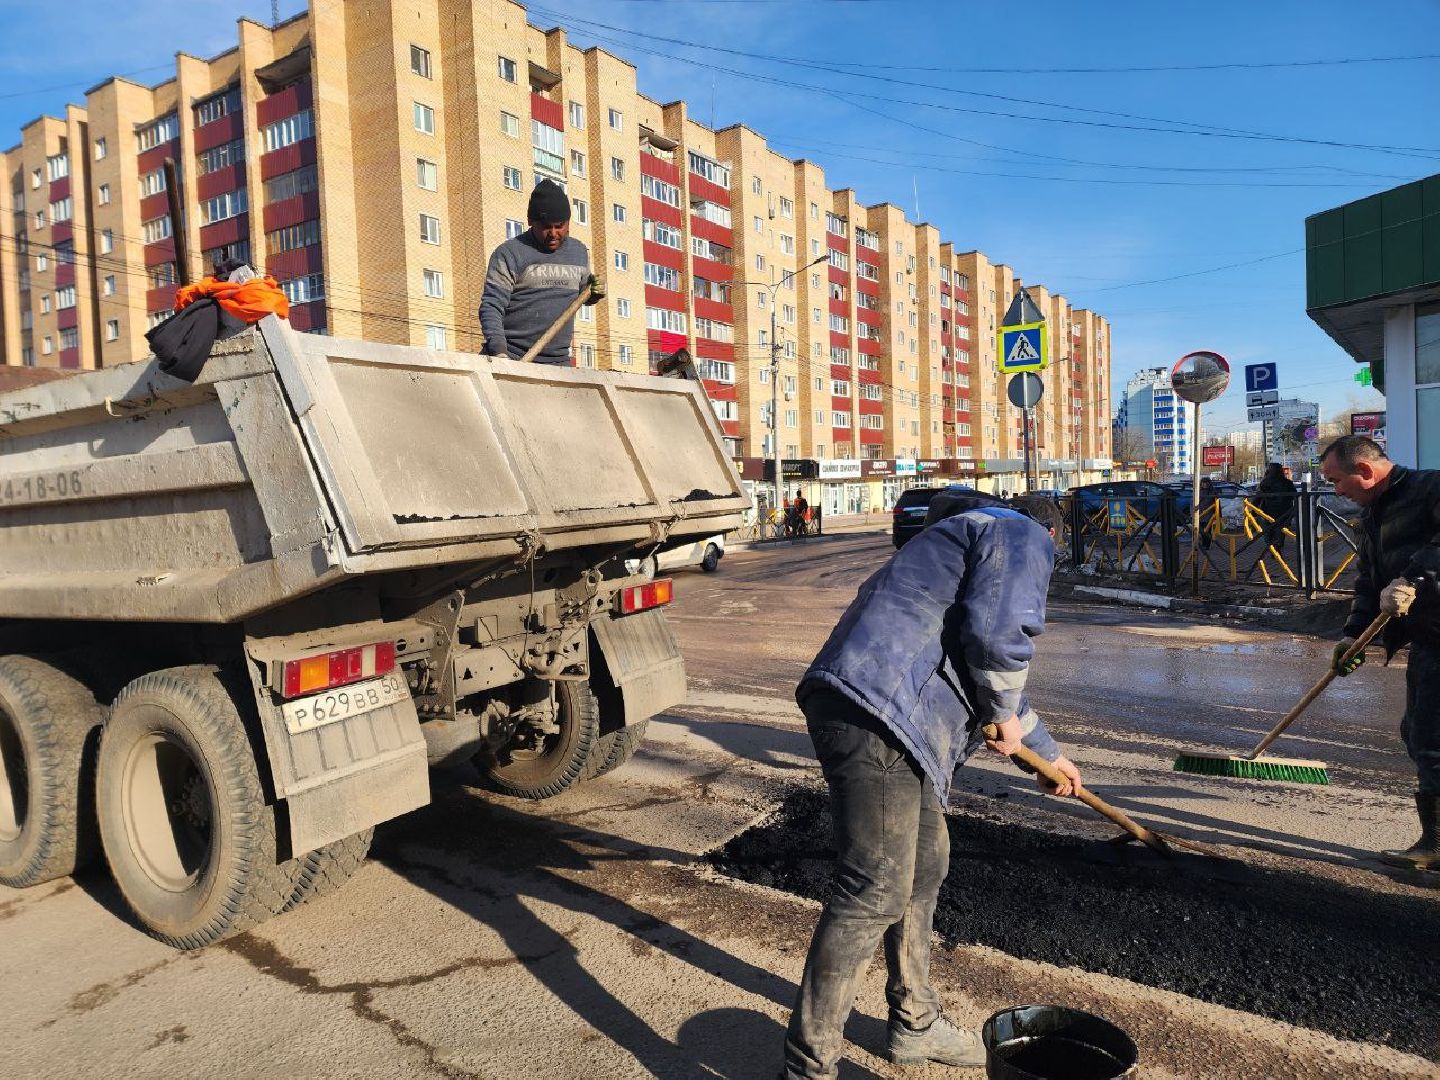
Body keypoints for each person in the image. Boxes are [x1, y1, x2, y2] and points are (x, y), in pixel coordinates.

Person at [781, 493, 1082, 1079]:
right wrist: (1003, 712)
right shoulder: (1020, 532)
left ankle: (914, 1024)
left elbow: (982, 667)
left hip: (884, 714)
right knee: (875, 888)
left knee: (924, 867)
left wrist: (1048, 757)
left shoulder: (955, 545)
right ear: (1052, 533)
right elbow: (997, 643)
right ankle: (807, 1069)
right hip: (879, 717)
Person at [1322, 436, 1440, 870]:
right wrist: (1353, 635)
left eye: (1336, 480)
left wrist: (1415, 578)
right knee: (1418, 733)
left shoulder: (1431, 488)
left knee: (1431, 738)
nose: (1336, 491)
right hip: (1429, 636)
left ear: (1366, 472)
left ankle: (1436, 846)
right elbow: (1369, 581)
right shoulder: (1374, 514)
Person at [478, 179, 599, 364]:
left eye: (559, 226)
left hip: (557, 363)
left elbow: (582, 295)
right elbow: (491, 306)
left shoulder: (578, 252)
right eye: (546, 227)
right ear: (530, 222)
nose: (553, 233)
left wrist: (594, 293)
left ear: (568, 222)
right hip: (512, 357)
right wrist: (500, 354)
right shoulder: (509, 254)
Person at [1254, 462, 1297, 553]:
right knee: (1280, 531)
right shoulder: (1287, 483)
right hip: (1284, 512)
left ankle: (1271, 547)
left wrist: (1253, 511)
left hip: (1267, 512)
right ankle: (1278, 546)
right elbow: (1295, 496)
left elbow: (1258, 497)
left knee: (1268, 531)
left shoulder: (1265, 483)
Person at [1198, 475, 1218, 551]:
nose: (1205, 484)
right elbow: (1192, 502)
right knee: (1201, 530)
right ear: (1201, 483)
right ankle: (1204, 544)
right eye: (1203, 482)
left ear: (1209, 483)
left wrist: (1217, 515)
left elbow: (1216, 503)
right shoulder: (1198, 492)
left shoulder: (1213, 492)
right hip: (1200, 514)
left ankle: (1207, 545)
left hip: (1208, 514)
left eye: (1207, 482)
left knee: (1207, 530)